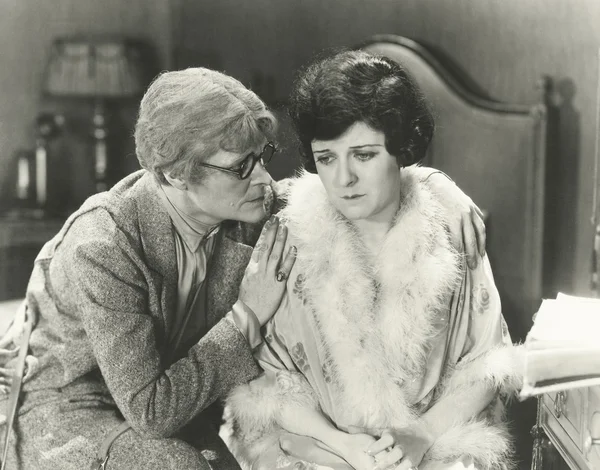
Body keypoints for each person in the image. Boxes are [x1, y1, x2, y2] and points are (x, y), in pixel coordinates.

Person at [0, 67, 485, 470]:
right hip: (77, 408)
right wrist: (246, 317)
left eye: (263, 158)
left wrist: (436, 186)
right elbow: (150, 411)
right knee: (176, 465)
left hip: (183, 397)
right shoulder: (101, 246)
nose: (262, 179)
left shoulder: (248, 206)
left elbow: (344, 188)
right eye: (239, 167)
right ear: (174, 174)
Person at [223, 51, 521, 470]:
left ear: (402, 149)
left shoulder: (454, 233)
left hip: (435, 444)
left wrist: (421, 435)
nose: (343, 180)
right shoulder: (287, 238)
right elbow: (268, 382)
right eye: (326, 158)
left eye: (363, 155)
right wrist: (341, 449)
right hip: (311, 448)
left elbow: (485, 364)